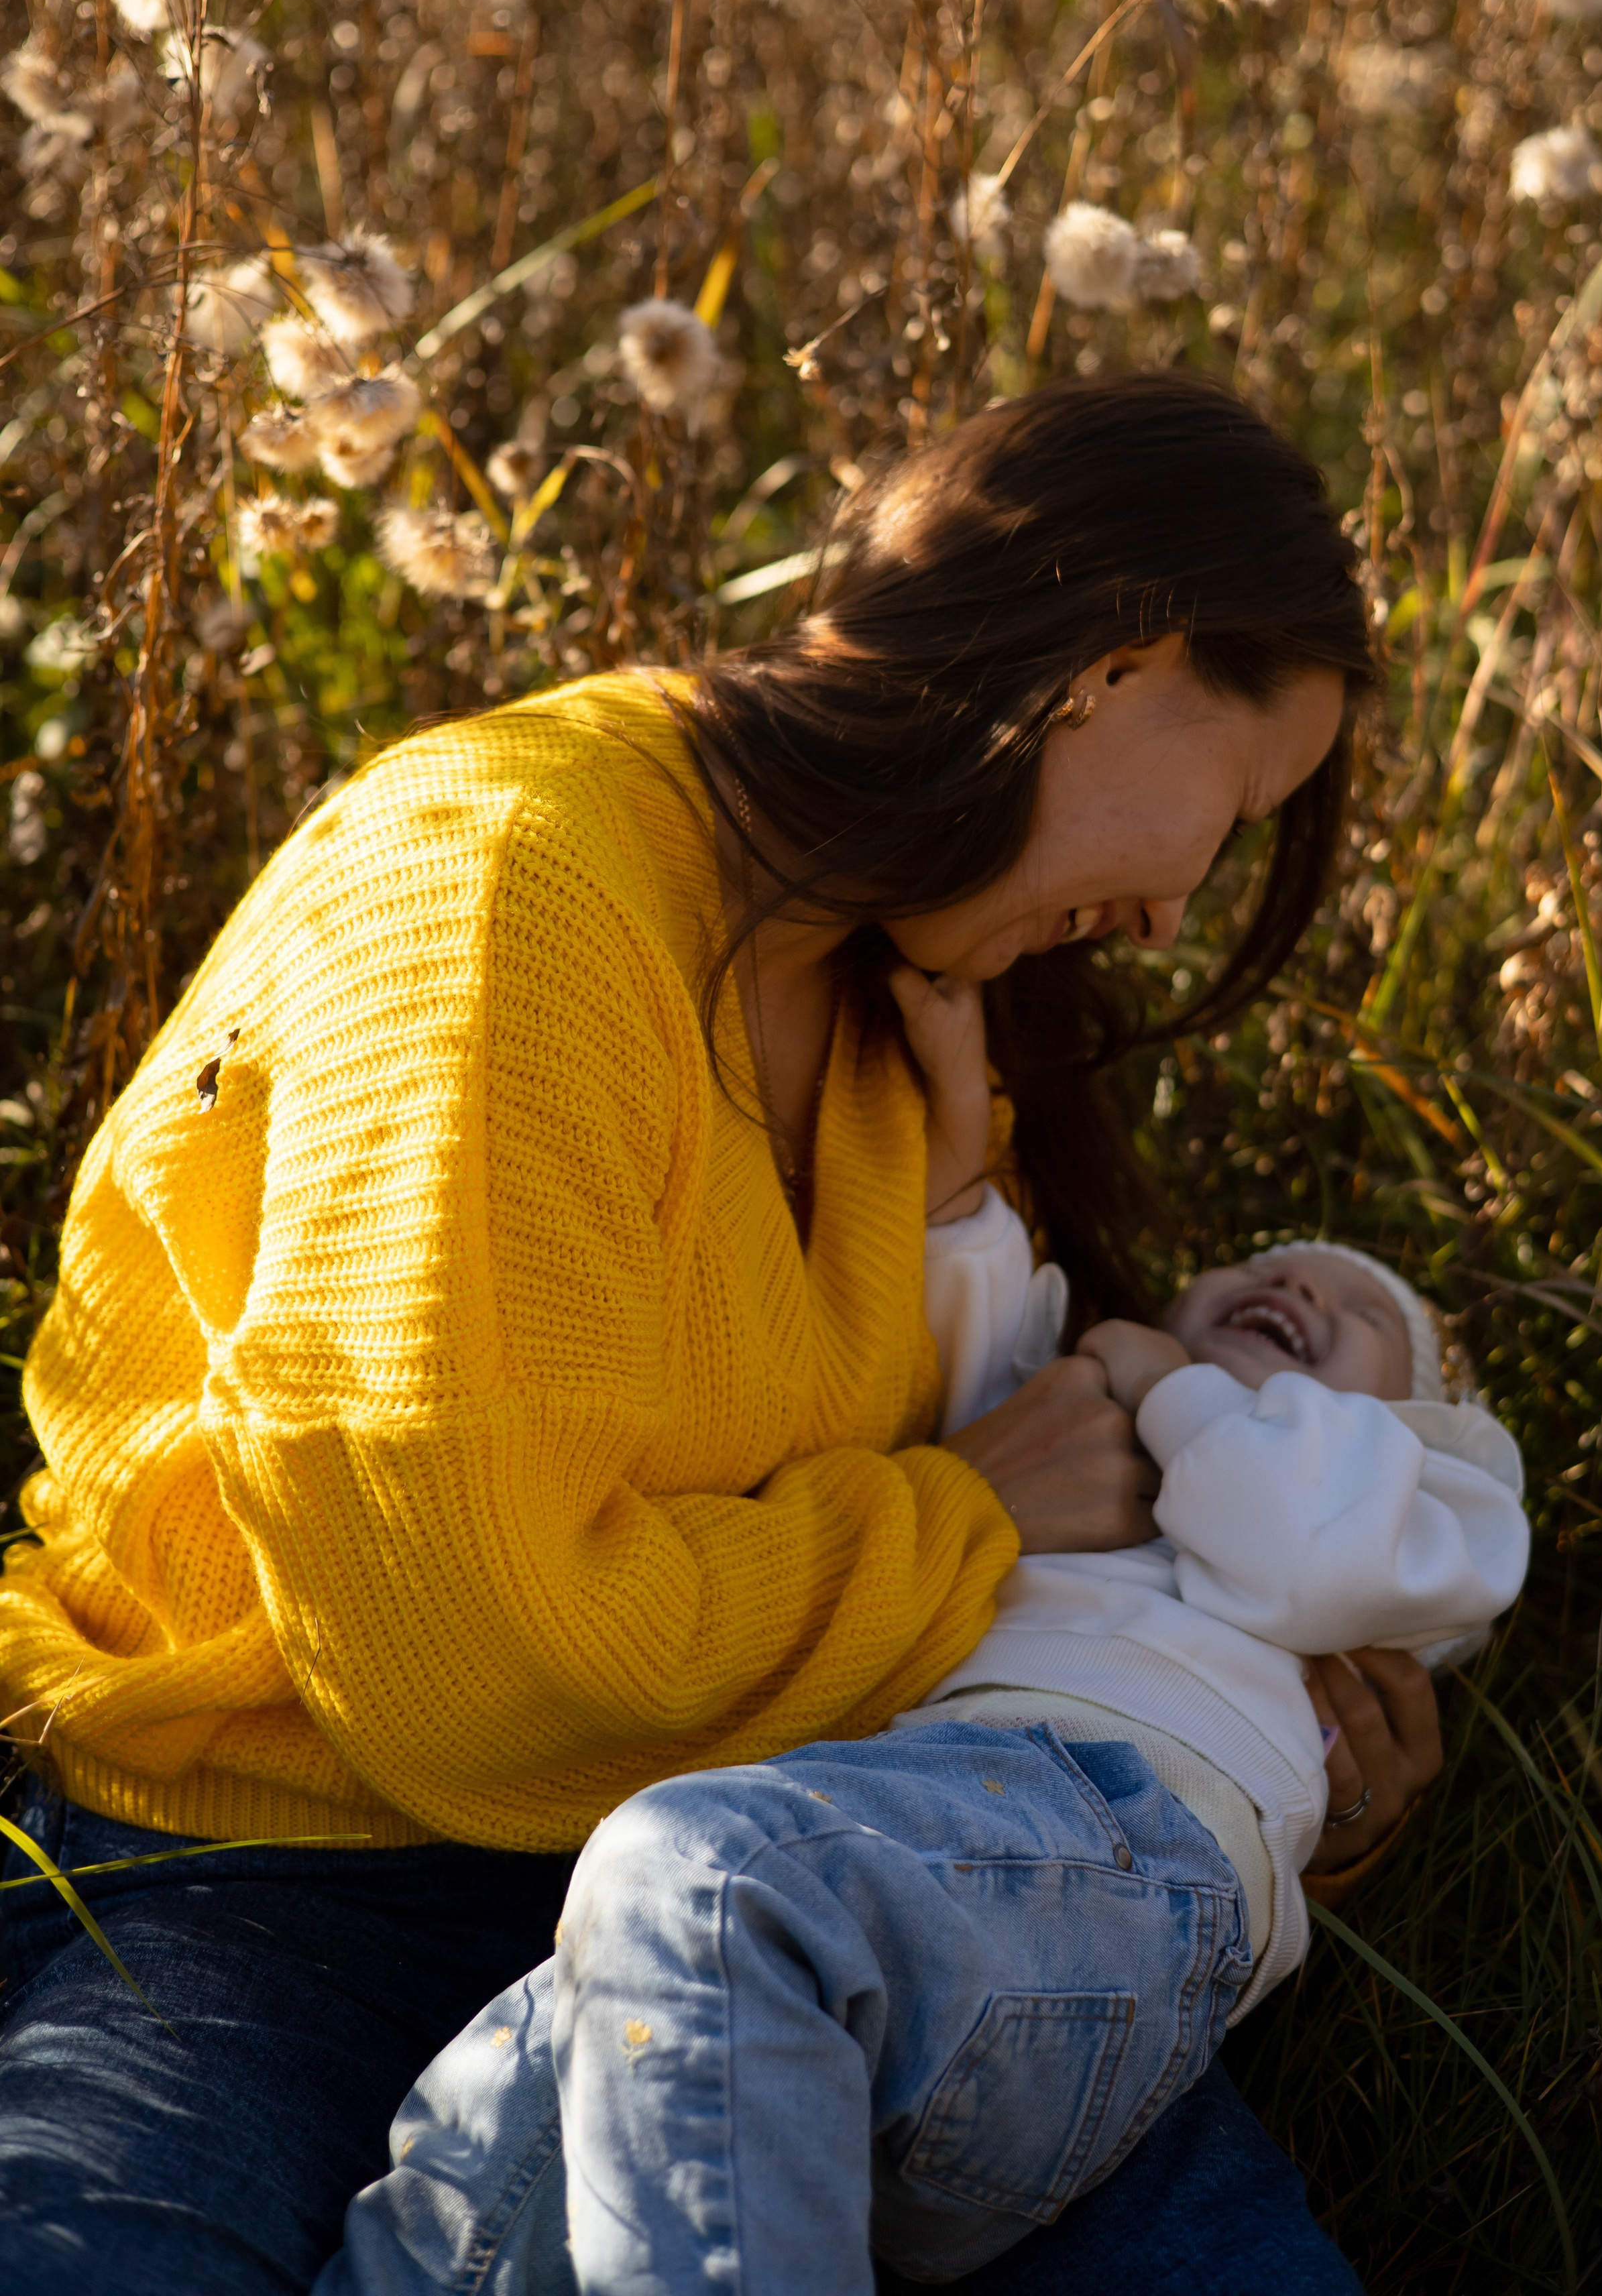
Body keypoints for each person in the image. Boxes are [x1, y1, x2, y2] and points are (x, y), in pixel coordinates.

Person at [0, 373, 1432, 2293]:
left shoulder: (897, 1015)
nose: (1179, 909)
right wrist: (967, 1512)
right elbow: (463, 1648)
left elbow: (1009, 1592)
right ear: (1113, 665)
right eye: (1232, 811)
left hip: (799, 1886)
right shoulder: (512, 881)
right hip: (274, 1886)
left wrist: (1285, 1785)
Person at [313, 974, 1527, 2296]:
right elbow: (955, 1329)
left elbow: (1314, 1542)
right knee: (470, 2158)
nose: (1294, 1279)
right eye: (1260, 1268)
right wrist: (952, 1145)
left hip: (1108, 1849)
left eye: (1356, 1321)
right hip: (913, 1898)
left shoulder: (1410, 1509)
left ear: (1422, 1438)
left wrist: (1170, 1384)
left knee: (704, 1877)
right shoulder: (1093, 1415)